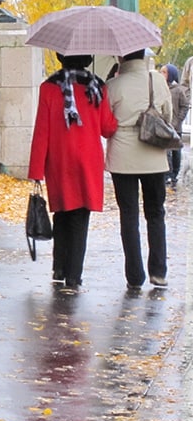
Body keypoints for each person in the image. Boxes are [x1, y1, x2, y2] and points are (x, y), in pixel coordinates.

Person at [28, 53, 117, 288]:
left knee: (61, 211)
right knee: (80, 216)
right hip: (88, 159)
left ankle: (59, 267)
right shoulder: (97, 87)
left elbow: (41, 131)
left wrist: (36, 170)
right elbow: (107, 128)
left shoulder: (49, 88)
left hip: (59, 159)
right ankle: (74, 275)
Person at [105, 49, 173, 289]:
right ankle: (158, 272)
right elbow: (168, 115)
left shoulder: (113, 84)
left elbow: (106, 123)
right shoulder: (157, 80)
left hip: (122, 157)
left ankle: (134, 276)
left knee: (129, 216)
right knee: (156, 213)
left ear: (121, 57)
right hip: (153, 154)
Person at [159, 63, 190, 187]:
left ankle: (174, 174)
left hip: (175, 126)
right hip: (164, 125)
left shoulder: (178, 90)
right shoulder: (160, 88)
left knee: (176, 151)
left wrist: (178, 120)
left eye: (164, 72)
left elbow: (185, 106)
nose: (162, 74)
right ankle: (167, 174)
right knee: (166, 152)